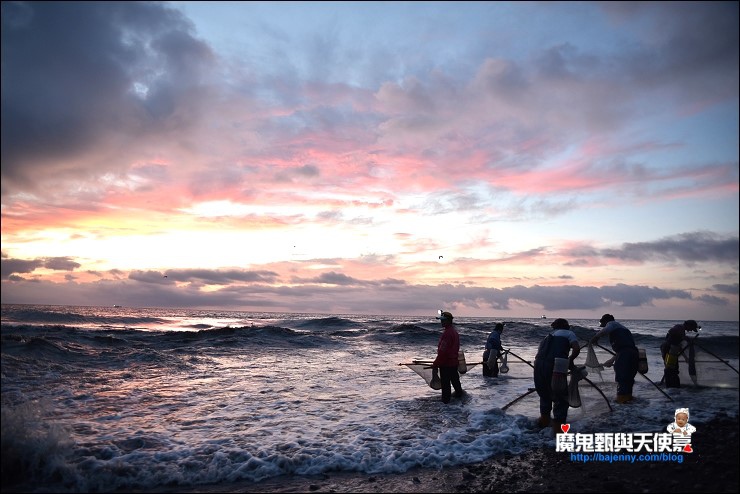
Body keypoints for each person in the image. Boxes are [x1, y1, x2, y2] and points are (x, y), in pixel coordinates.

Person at [533, 318, 580, 433]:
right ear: (566, 326)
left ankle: (544, 421)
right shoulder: (569, 333)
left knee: (544, 392)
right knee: (560, 394)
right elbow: (576, 349)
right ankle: (558, 429)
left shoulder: (548, 336)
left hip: (538, 364)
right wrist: (571, 360)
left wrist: (569, 363)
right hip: (556, 365)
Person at [590, 314, 639, 404]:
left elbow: (606, 330)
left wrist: (595, 337)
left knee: (622, 376)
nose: (602, 325)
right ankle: (628, 398)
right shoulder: (624, 329)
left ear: (606, 321)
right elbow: (623, 349)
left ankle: (621, 400)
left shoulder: (612, 324)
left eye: (602, 322)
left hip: (625, 354)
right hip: (633, 353)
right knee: (628, 377)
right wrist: (612, 360)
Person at [432, 310, 464, 403]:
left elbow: (443, 352)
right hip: (454, 363)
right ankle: (462, 403)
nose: (442, 322)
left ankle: (446, 405)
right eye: (441, 320)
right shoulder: (454, 332)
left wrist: (436, 364)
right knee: (456, 383)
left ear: (449, 321)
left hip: (446, 364)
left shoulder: (447, 334)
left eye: (443, 320)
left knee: (446, 386)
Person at [660, 320, 701, 388]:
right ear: (688, 325)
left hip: (670, 350)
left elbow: (678, 347)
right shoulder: (680, 327)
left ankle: (672, 387)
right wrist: (683, 337)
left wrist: (685, 358)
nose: (690, 331)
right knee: (671, 369)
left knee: (673, 369)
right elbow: (671, 331)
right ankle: (671, 387)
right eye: (691, 328)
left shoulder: (681, 330)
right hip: (668, 350)